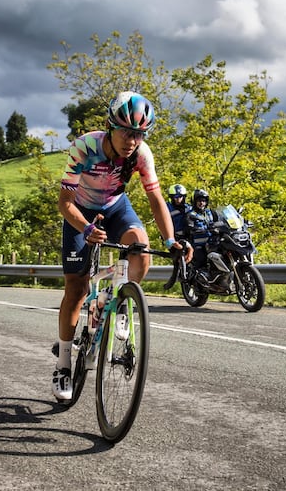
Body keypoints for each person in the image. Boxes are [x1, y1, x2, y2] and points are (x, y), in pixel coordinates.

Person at [53, 91, 192, 401]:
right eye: (127, 131)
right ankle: (63, 364)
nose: (133, 139)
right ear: (110, 126)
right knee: (75, 289)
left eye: (140, 133)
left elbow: (156, 199)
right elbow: (64, 203)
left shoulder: (142, 155)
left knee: (141, 249)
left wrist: (171, 240)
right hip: (80, 211)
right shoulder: (85, 147)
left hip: (116, 207)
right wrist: (86, 227)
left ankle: (118, 301)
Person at [185, 189, 216, 269]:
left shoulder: (210, 212)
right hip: (198, 244)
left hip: (212, 242)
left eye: (204, 201)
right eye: (199, 201)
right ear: (194, 202)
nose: (201, 203)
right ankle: (197, 275)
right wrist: (197, 229)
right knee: (202, 259)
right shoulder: (191, 214)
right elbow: (189, 228)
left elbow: (221, 220)